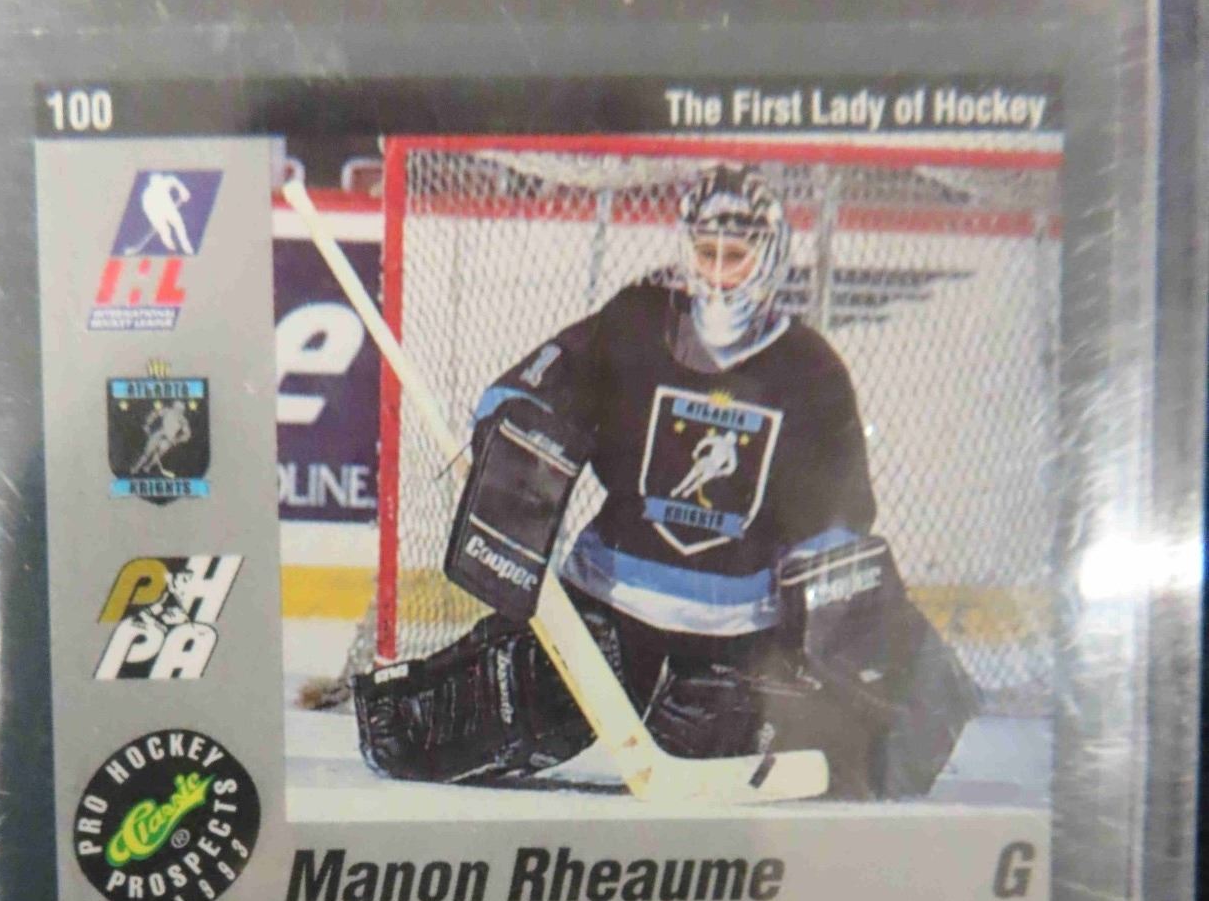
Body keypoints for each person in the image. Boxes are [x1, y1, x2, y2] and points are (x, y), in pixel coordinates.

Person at [355, 164, 976, 798]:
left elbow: (838, 520)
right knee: (415, 733)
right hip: (606, 610)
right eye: (707, 253)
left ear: (769, 258)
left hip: (737, 638)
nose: (718, 272)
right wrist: (517, 429)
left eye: (735, 256)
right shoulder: (635, 322)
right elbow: (527, 390)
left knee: (807, 753)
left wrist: (832, 642)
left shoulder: (811, 370)